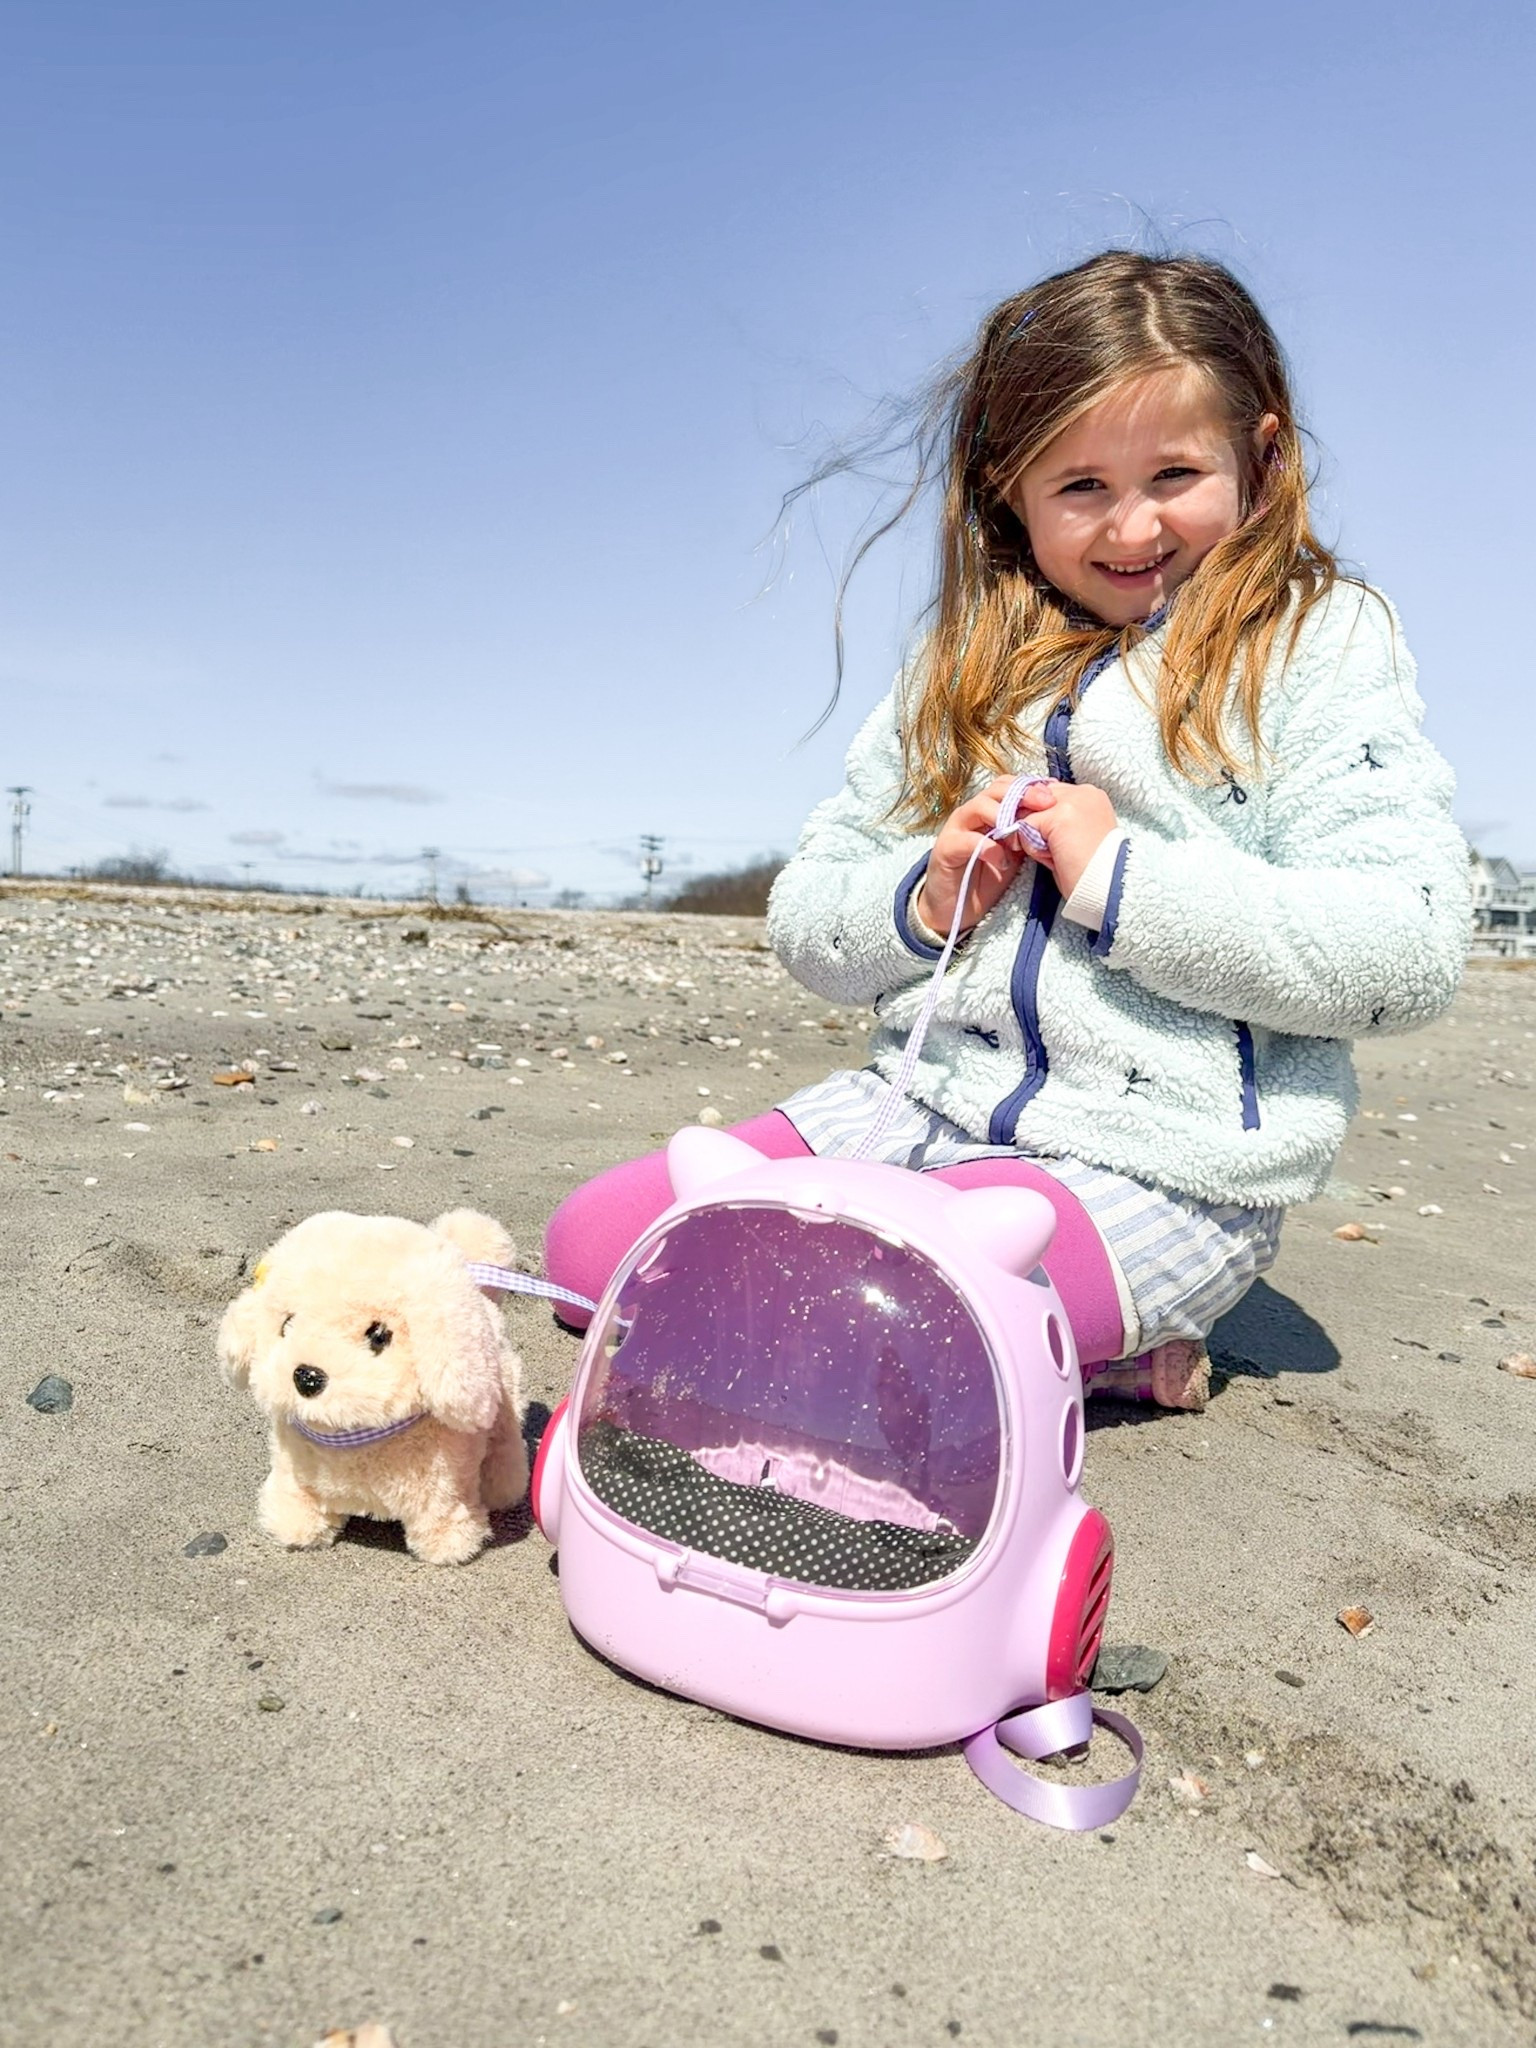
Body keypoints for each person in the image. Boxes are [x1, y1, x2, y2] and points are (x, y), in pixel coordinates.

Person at [545, 249, 1468, 1409]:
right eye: (1079, 485)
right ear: (1006, 492)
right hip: (912, 1112)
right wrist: (923, 898)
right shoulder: (957, 669)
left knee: (885, 1331)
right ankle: (1066, 1354)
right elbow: (807, 921)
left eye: (1176, 471)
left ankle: (1052, 1335)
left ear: (1263, 457)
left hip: (1161, 1174)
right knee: (594, 1253)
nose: (1134, 524)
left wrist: (1123, 882)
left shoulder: (1316, 645)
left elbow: (1412, 948)